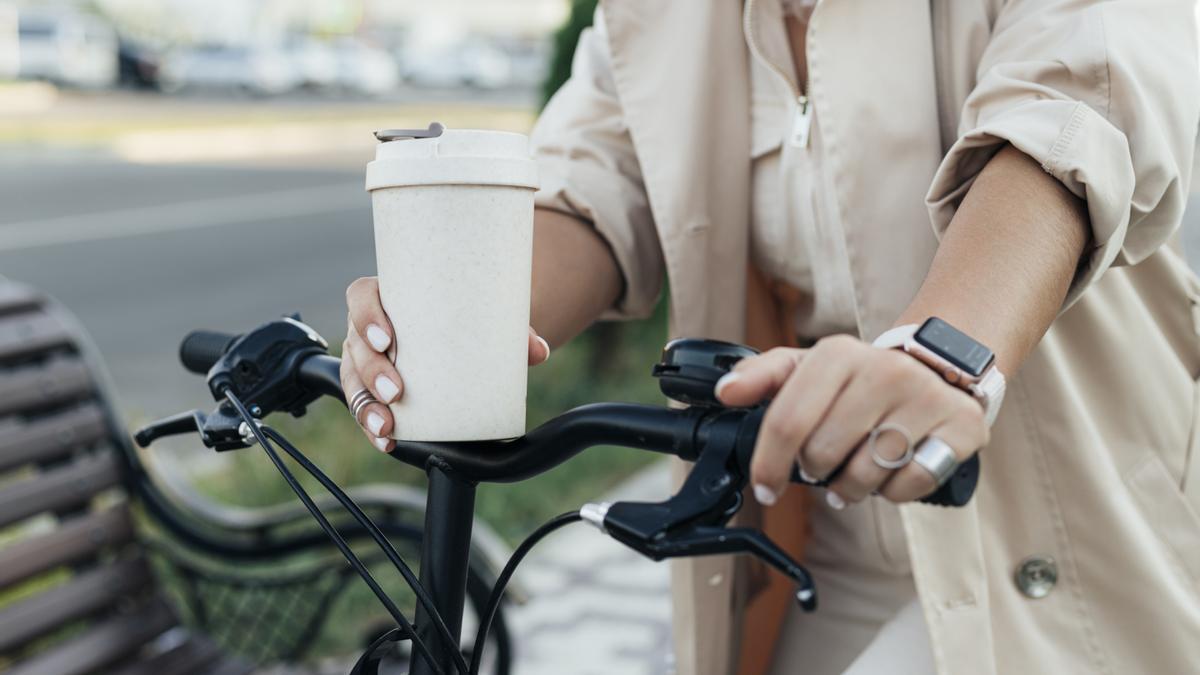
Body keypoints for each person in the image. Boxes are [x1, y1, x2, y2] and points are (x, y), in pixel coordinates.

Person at [341, 1, 1200, 673]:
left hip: (1064, 518)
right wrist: (449, 320)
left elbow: (1074, 114)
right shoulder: (659, 14)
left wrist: (942, 356)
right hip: (822, 544)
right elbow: (595, 182)